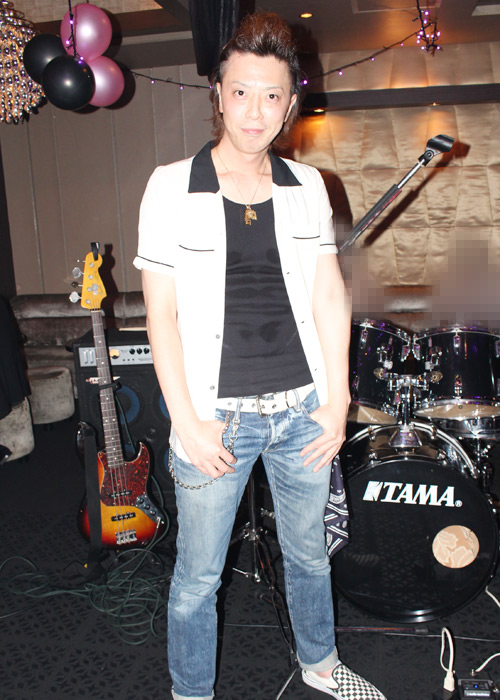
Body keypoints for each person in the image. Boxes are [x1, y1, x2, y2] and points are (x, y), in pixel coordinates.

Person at [134, 12, 386, 700]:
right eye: (241, 92)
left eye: (271, 95)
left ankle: (320, 665)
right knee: (197, 578)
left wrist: (337, 402)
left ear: (290, 103)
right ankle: (192, 692)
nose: (255, 110)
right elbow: (160, 315)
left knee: (310, 556)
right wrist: (187, 422)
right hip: (214, 418)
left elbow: (329, 297)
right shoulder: (170, 186)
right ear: (218, 94)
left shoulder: (308, 186)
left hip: (303, 410)